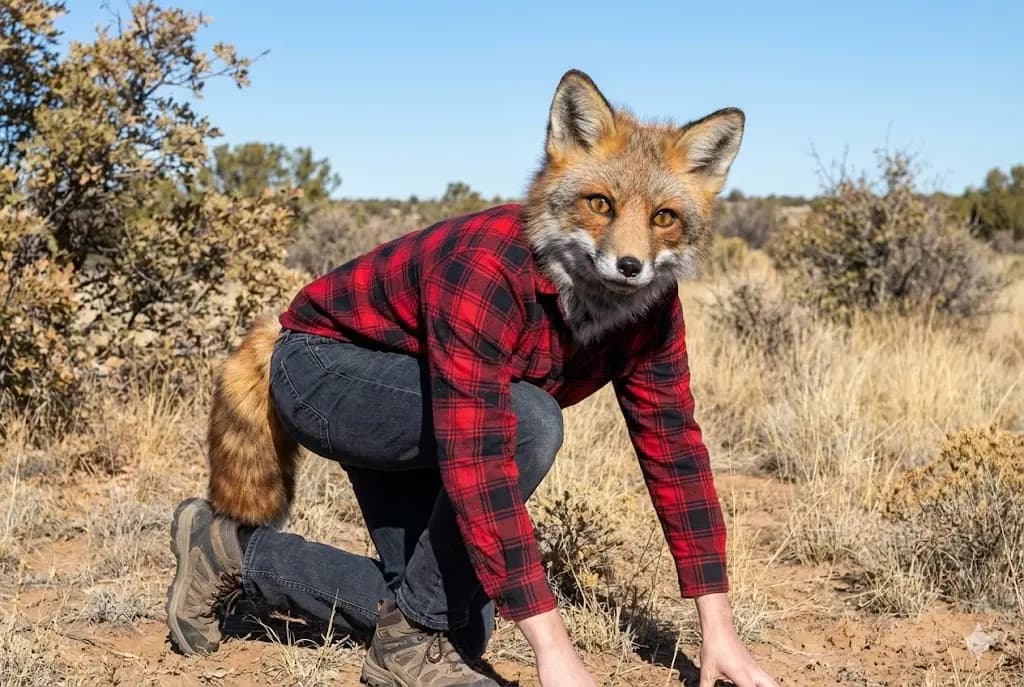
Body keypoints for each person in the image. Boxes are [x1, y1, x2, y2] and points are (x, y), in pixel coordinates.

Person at [166, 69, 778, 687]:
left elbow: (673, 446)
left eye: (664, 218)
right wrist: (555, 651)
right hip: (321, 368)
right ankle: (407, 652)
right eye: (602, 204)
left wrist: (718, 628)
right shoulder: (486, 268)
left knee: (455, 623)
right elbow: (480, 452)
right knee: (529, 420)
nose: (631, 248)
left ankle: (233, 552)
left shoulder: (648, 302)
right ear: (566, 153)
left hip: (426, 391)